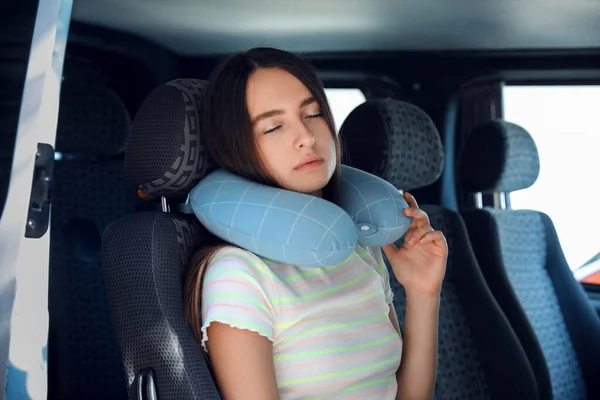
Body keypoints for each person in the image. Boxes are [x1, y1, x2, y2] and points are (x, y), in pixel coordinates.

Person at [184, 47, 447, 400]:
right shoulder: (238, 273)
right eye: (274, 126)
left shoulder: (362, 249)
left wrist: (423, 293)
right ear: (238, 148)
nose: (306, 136)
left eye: (312, 113)